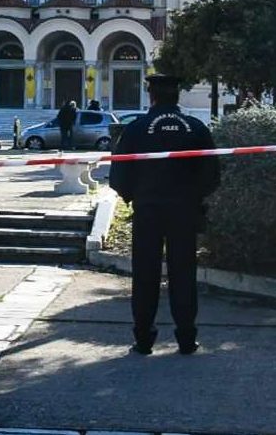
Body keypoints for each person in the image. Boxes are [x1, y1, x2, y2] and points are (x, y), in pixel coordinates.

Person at [108, 73, 218, 355]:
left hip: (148, 211)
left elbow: (118, 174)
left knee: (145, 274)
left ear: (151, 96)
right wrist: (194, 197)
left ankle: (144, 339)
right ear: (177, 96)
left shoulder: (136, 129)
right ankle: (186, 339)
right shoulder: (195, 128)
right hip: (184, 211)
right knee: (184, 273)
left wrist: (134, 196)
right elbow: (212, 174)